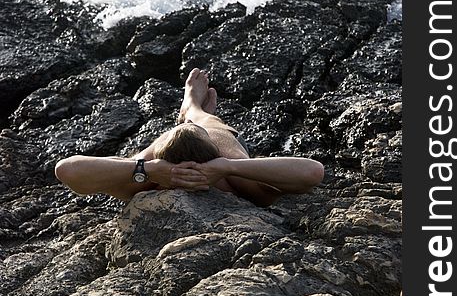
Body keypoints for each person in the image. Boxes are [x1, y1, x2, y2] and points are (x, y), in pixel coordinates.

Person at [55, 69, 324, 207]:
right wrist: (148, 168)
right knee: (210, 127)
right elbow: (312, 172)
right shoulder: (234, 176)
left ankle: (192, 110)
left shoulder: (137, 184)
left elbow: (67, 169)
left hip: (197, 155)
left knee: (205, 128)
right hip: (199, 154)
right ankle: (194, 112)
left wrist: (143, 168)